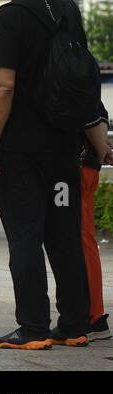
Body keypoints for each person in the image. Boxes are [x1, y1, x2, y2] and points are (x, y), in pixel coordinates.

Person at [0, 0, 109, 349]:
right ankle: (74, 325)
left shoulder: (7, 18)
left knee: (25, 235)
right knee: (64, 234)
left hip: (20, 149)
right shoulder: (67, 9)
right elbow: (82, 81)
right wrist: (99, 140)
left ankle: (33, 328)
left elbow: (3, 86)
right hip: (64, 145)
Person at [81, 104, 111, 340]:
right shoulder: (94, 96)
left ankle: (92, 314)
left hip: (77, 169)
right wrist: (102, 149)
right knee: (86, 239)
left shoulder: (76, 84)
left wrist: (101, 149)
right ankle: (94, 312)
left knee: (81, 240)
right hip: (90, 166)